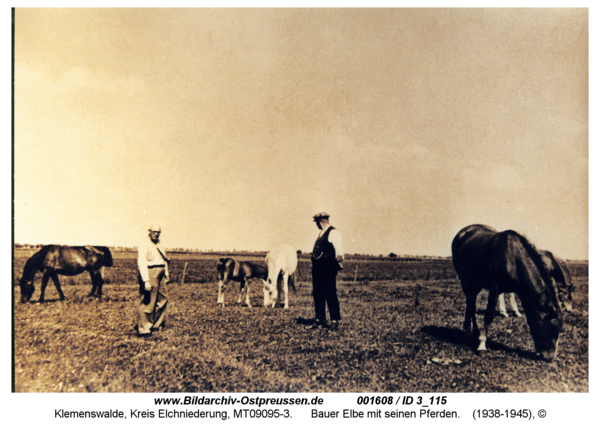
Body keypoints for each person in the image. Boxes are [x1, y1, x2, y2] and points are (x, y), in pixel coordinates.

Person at [308, 212, 344, 330]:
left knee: (330, 292)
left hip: (328, 268)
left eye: (317, 223)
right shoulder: (321, 233)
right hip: (317, 269)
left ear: (320, 221)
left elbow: (340, 254)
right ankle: (319, 319)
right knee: (317, 293)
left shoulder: (334, 233)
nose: (317, 225)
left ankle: (334, 321)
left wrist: (334, 264)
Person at [136, 223, 170, 337]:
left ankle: (155, 324)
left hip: (161, 272)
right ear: (149, 231)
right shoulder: (144, 244)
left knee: (163, 299)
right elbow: (141, 262)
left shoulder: (159, 244)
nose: (156, 234)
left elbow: (164, 259)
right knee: (148, 301)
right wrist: (146, 280)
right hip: (150, 272)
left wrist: (166, 273)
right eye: (154, 232)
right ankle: (144, 328)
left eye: (158, 232)